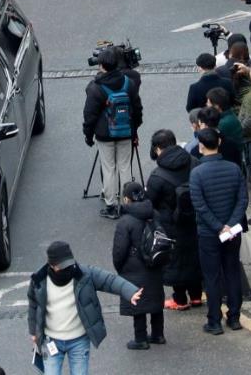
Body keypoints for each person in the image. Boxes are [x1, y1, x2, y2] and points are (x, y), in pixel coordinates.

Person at [28, 240, 142, 375]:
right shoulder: (39, 280)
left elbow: (109, 280)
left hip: (79, 340)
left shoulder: (83, 273)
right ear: (52, 265)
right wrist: (33, 332)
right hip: (51, 340)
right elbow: (33, 305)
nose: (68, 268)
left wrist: (130, 292)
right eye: (62, 266)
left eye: (69, 263)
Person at [189, 127, 248, 334]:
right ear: (219, 143)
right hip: (233, 232)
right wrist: (230, 225)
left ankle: (214, 321)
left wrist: (217, 226)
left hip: (209, 233)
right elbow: (242, 200)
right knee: (232, 273)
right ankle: (234, 318)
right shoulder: (234, 169)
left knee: (212, 276)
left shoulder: (196, 173)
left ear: (201, 146)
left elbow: (199, 204)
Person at [83, 46, 143, 219]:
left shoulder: (96, 87)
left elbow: (90, 115)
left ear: (101, 65)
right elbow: (137, 108)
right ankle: (127, 203)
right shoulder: (128, 83)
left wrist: (88, 135)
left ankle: (111, 205)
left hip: (104, 134)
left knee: (108, 168)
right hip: (126, 131)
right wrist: (134, 128)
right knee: (125, 167)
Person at [146, 129, 202, 311]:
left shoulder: (157, 175)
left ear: (158, 149)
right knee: (194, 256)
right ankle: (196, 296)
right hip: (195, 220)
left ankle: (180, 298)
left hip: (171, 225)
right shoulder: (194, 162)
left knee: (176, 260)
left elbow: (150, 203)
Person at [112, 182, 165, 350]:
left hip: (133, 266)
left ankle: (140, 338)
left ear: (126, 199)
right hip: (155, 262)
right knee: (155, 297)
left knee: (137, 302)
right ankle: (158, 334)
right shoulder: (154, 214)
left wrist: (120, 268)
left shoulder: (125, 221)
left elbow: (119, 251)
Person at [205, 87, 244, 154]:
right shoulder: (229, 116)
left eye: (208, 102)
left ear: (216, 106)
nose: (206, 104)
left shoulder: (223, 123)